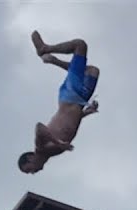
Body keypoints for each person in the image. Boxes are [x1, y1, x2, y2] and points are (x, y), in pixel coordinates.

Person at [18, 31, 101, 175]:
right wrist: (87, 112)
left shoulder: (41, 147)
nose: (34, 172)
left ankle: (45, 49)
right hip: (81, 101)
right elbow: (70, 122)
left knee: (79, 45)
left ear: (31, 158)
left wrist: (58, 143)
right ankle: (53, 60)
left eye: (30, 169)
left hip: (69, 96)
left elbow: (39, 127)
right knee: (92, 71)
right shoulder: (52, 153)